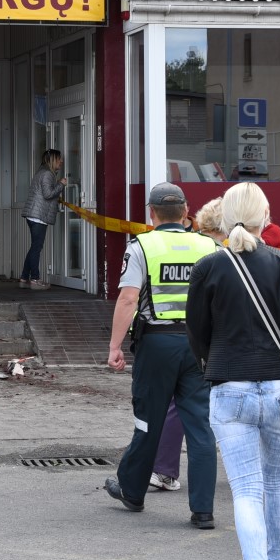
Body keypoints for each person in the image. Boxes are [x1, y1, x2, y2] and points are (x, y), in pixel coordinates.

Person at [186, 182, 280, 560]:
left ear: (225, 218)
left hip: (229, 385)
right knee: (277, 483)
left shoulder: (208, 267)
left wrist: (207, 365)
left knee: (246, 490)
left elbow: (196, 331)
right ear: (265, 218)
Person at [104, 182, 219, 529]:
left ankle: (132, 491)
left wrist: (114, 347)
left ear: (151, 213)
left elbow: (127, 299)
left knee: (148, 421)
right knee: (200, 427)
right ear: (186, 212)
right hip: (198, 346)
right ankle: (202, 511)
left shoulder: (142, 245)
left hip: (157, 344)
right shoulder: (209, 246)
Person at [149, 196, 227, 494]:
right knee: (195, 409)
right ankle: (166, 471)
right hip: (206, 341)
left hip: (172, 336)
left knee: (177, 406)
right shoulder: (216, 253)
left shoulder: (194, 246)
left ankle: (163, 468)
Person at [18, 149, 67, 290]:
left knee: (34, 247)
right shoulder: (47, 174)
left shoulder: (43, 172)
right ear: (52, 160)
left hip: (34, 215)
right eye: (59, 159)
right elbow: (48, 194)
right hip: (38, 216)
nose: (61, 161)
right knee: (36, 248)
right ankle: (35, 279)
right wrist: (61, 184)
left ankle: (23, 278)